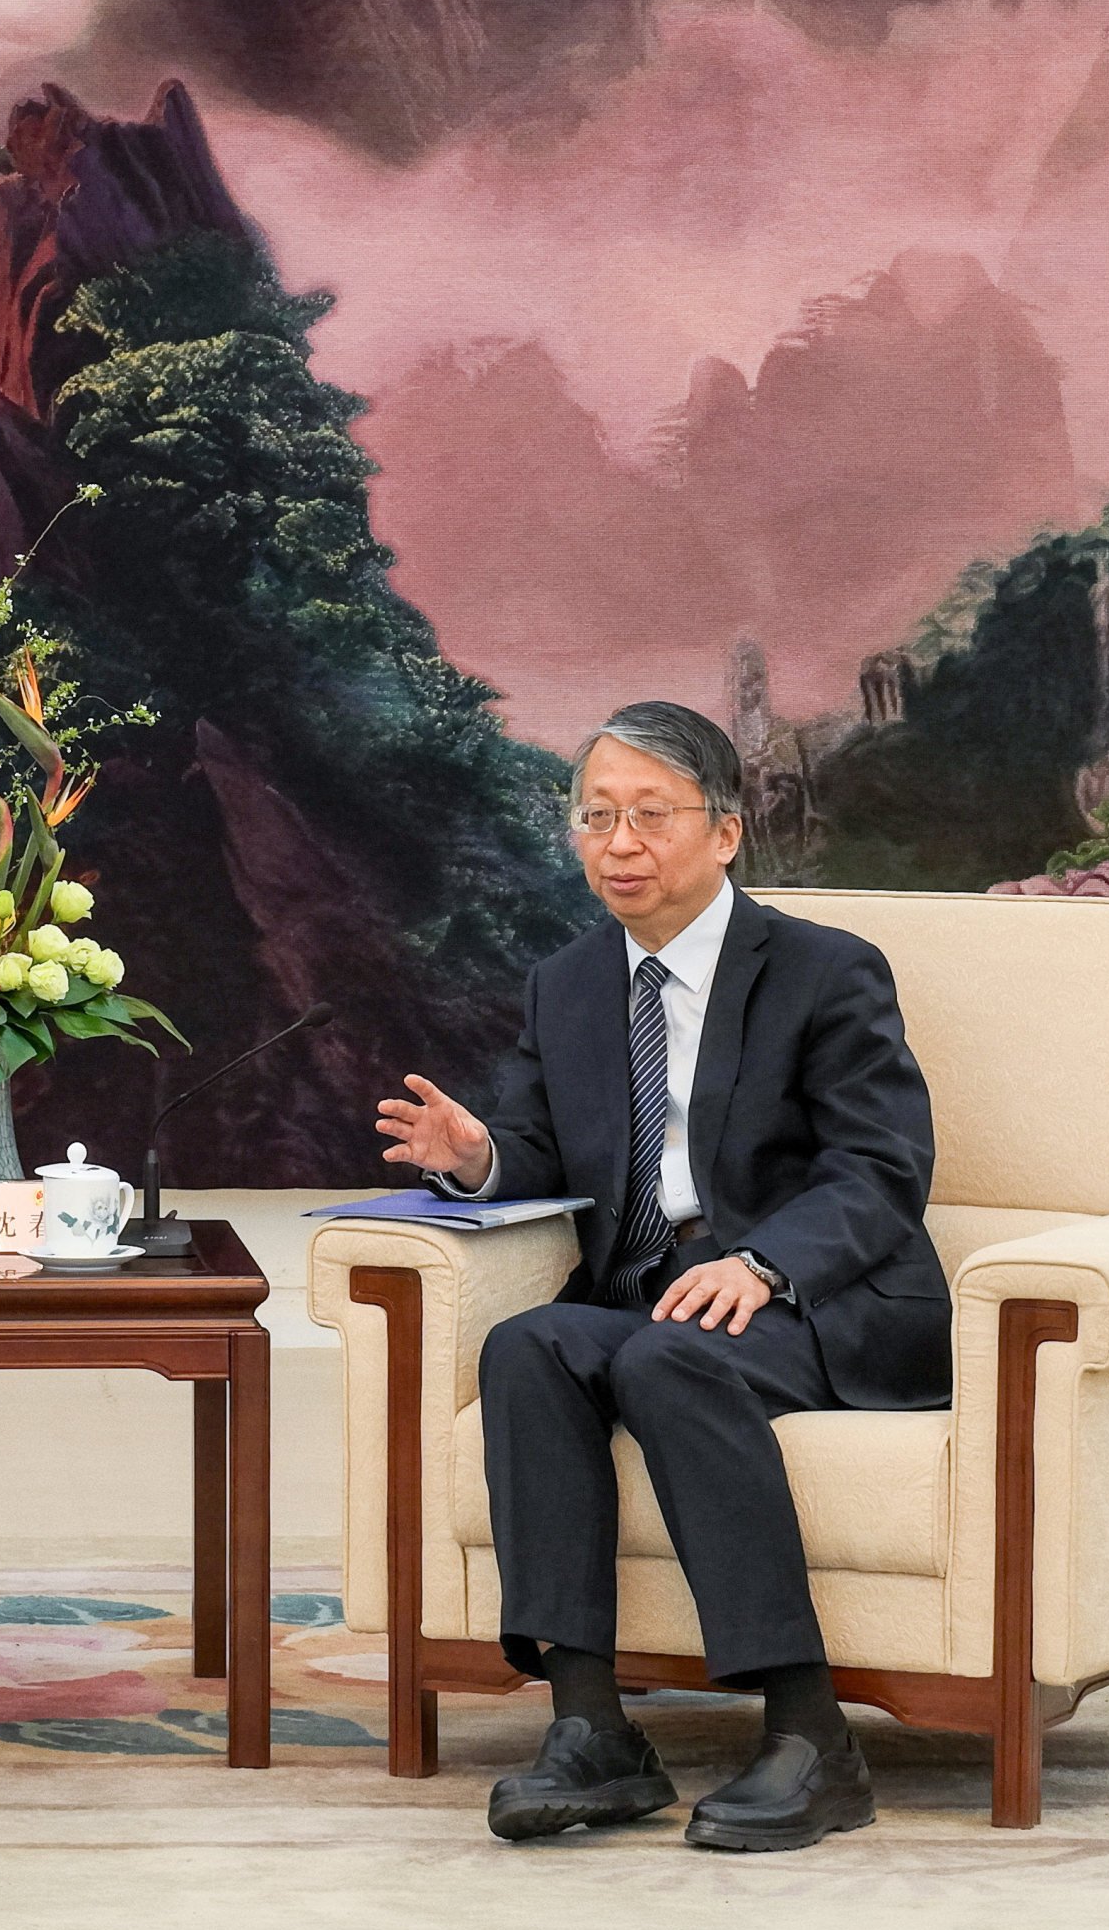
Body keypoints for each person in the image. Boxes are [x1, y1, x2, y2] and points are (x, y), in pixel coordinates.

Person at [373, 700, 943, 1853]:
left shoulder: (825, 971)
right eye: (595, 817)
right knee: (527, 1344)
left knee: (670, 1356)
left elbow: (882, 1169)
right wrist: (479, 1158)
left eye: (648, 815)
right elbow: (549, 1153)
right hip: (647, 1294)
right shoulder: (569, 984)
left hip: (820, 1299)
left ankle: (807, 1731)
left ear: (724, 832)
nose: (618, 843)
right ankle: (591, 1731)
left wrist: (765, 1261)